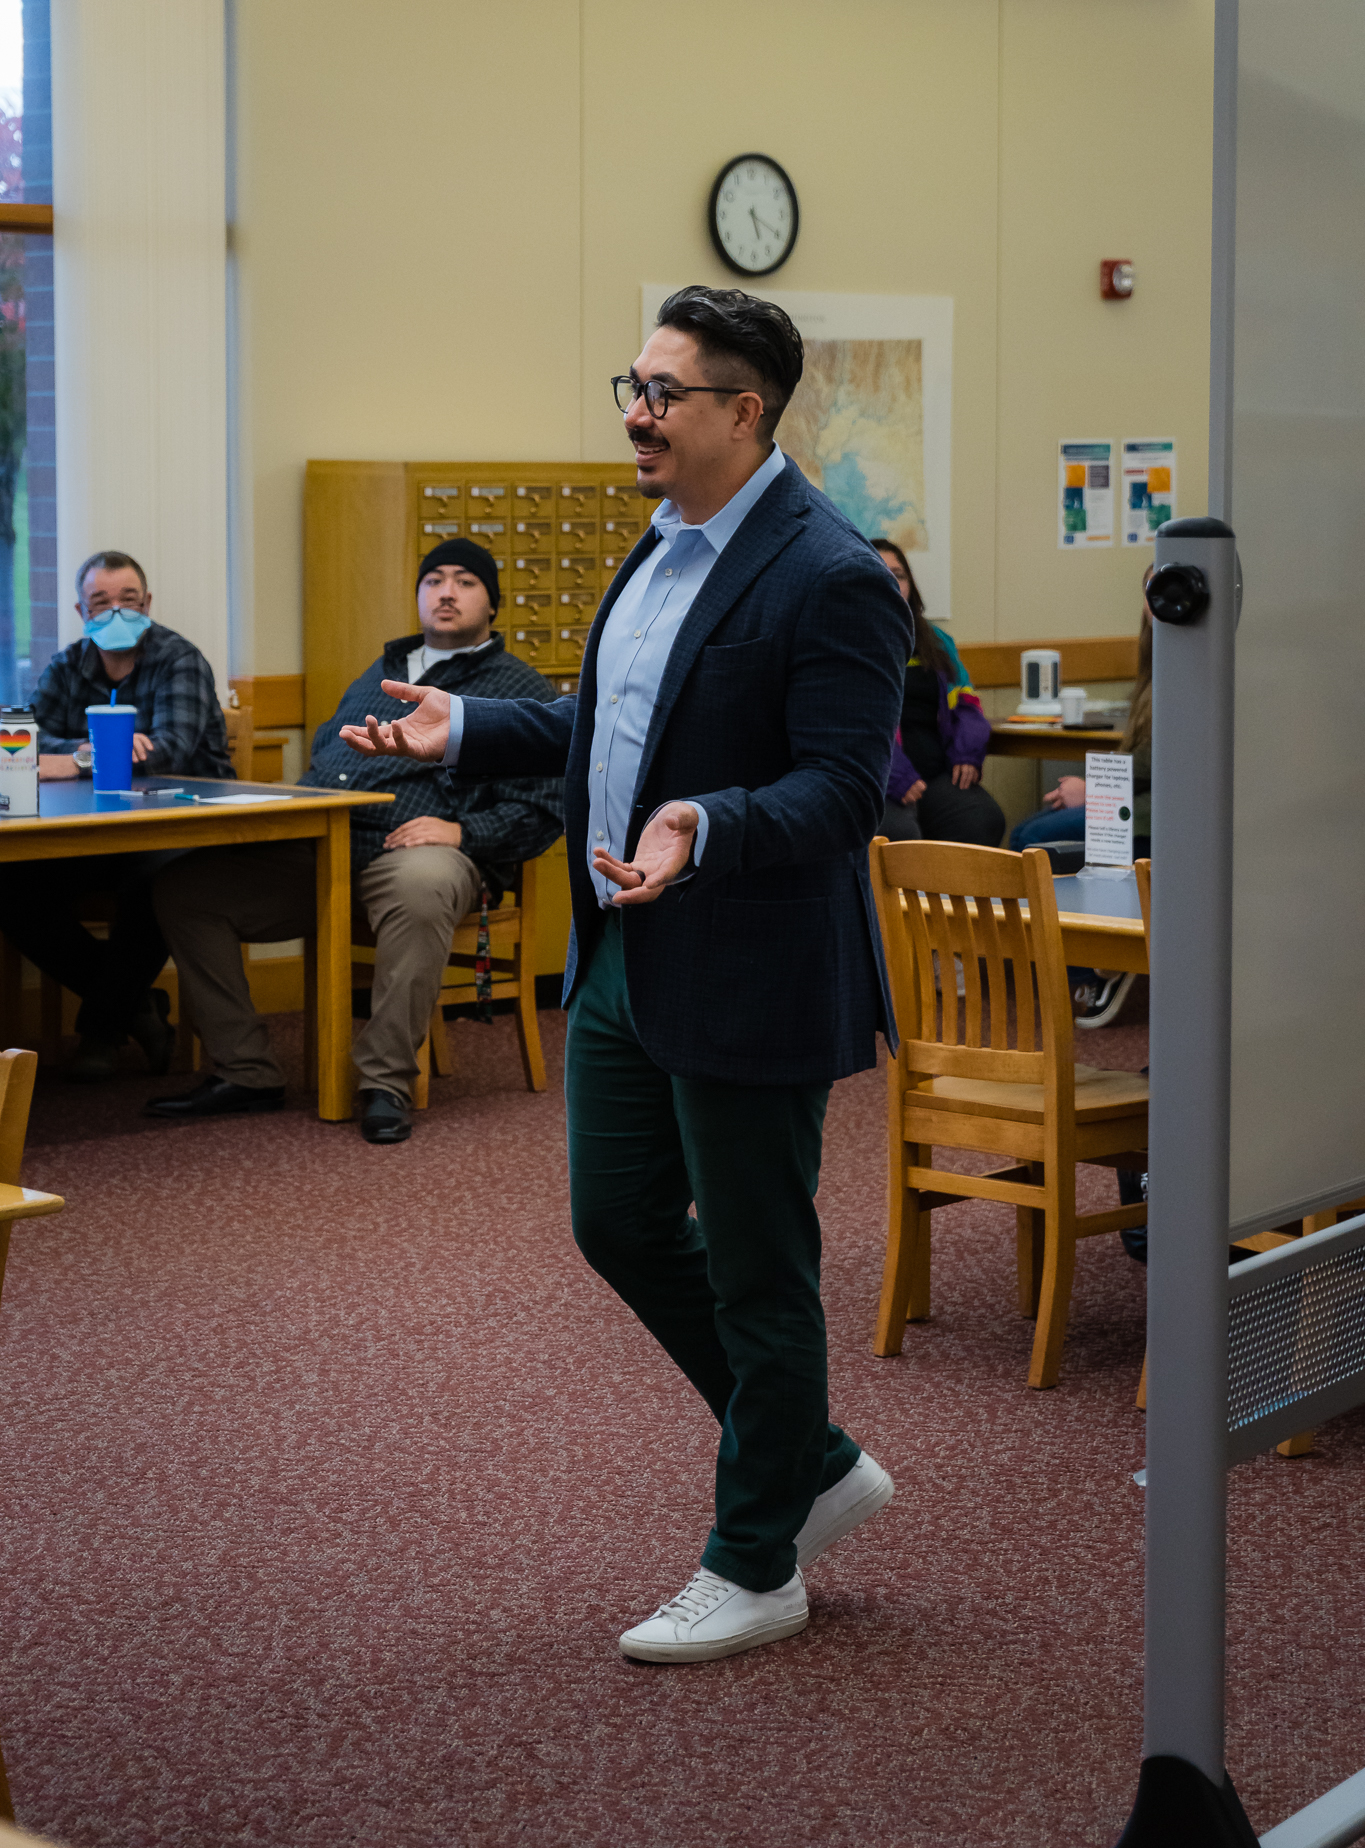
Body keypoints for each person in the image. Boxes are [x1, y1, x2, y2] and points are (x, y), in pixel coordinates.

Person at [341, 287, 911, 1663]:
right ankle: (814, 1459)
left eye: (663, 390)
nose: (635, 413)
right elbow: (610, 723)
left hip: (749, 957)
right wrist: (461, 724)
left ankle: (757, 1555)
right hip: (621, 953)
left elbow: (842, 792)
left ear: (744, 409)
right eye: (631, 384)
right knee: (619, 1223)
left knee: (763, 1272)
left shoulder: (828, 571)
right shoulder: (657, 547)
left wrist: (706, 825)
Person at [144, 539, 564, 1144]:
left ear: (492, 604)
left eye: (465, 582)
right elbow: (329, 751)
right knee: (187, 891)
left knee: (423, 889)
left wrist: (464, 831)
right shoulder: (383, 669)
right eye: (434, 580)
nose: (446, 592)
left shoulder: (517, 686)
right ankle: (247, 1071)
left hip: (418, 848)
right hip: (327, 837)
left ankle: (384, 1082)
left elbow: (547, 805)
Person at [0, 549, 231, 1081]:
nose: (116, 612)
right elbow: (25, 742)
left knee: (154, 884)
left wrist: (73, 756)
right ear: (82, 612)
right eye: (101, 602)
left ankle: (102, 1031)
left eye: (128, 600)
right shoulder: (68, 663)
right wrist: (96, 750)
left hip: (182, 826)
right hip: (97, 831)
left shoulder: (179, 659)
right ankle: (140, 1011)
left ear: (147, 604)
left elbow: (169, 749)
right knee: (13, 887)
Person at [872, 538, 1004, 848]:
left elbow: (968, 707)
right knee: (901, 837)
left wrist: (967, 753)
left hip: (935, 774)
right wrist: (894, 774)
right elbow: (852, 726)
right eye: (880, 572)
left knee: (981, 818)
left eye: (899, 574)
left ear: (911, 584)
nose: (892, 582)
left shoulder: (937, 641)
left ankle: (958, 899)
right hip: (881, 781)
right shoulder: (845, 638)